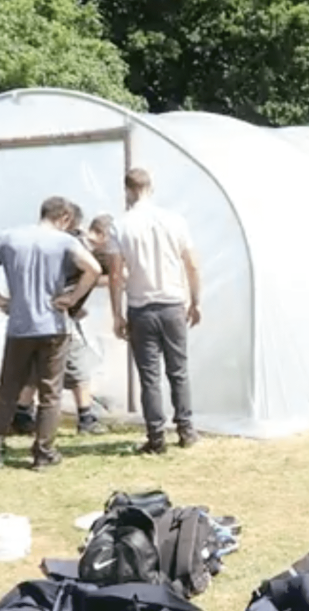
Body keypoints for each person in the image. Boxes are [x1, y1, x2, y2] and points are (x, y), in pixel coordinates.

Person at [0, 196, 102, 470]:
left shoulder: (9, 238)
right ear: (64, 217)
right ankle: (43, 453)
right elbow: (94, 269)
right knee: (50, 392)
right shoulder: (65, 242)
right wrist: (73, 298)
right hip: (53, 326)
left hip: (19, 326)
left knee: (8, 389)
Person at [108, 168, 203, 454]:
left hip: (141, 307)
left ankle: (156, 437)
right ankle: (186, 429)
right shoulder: (175, 220)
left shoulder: (120, 225)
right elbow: (193, 264)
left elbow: (114, 273)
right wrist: (196, 301)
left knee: (149, 376)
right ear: (152, 187)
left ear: (127, 190)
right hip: (173, 304)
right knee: (178, 371)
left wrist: (116, 313)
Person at [11, 208, 114, 437]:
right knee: (78, 368)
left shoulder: (69, 243)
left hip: (36, 314)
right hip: (56, 317)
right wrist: (74, 298)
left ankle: (21, 414)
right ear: (104, 235)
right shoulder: (77, 246)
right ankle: (86, 419)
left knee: (38, 366)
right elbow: (89, 274)